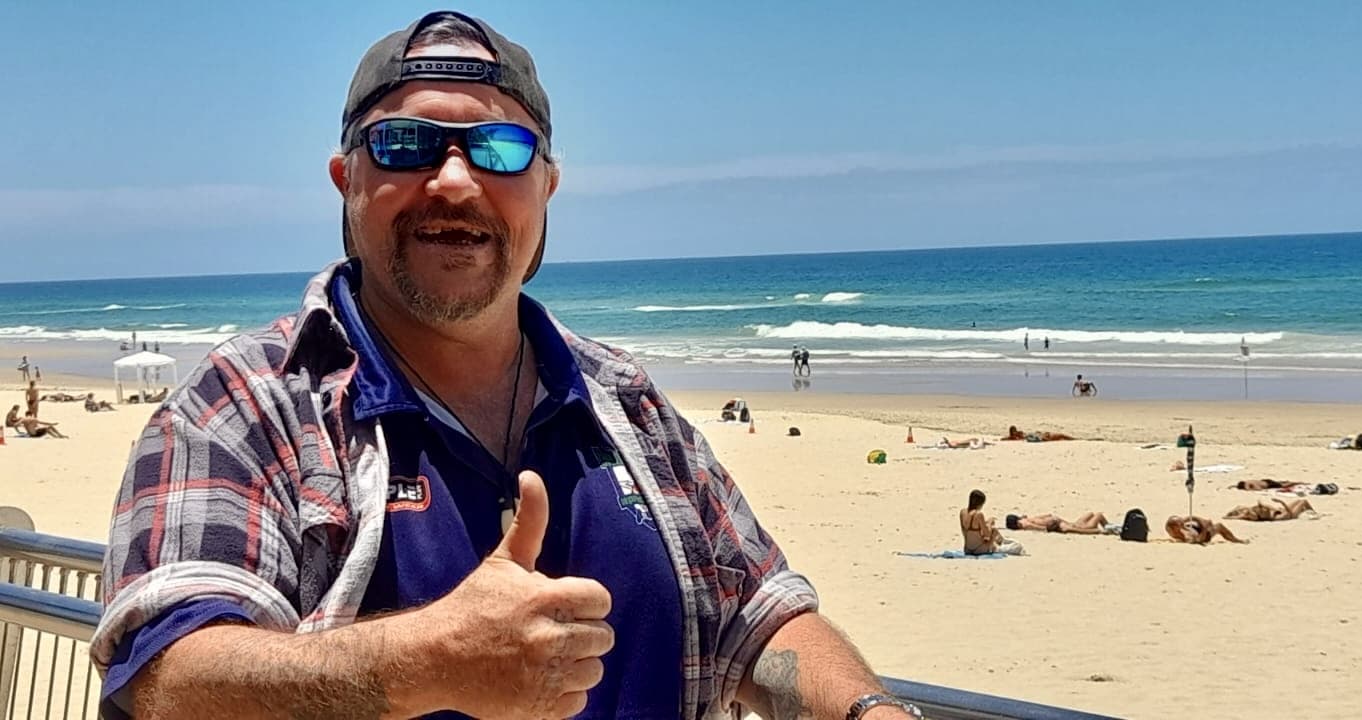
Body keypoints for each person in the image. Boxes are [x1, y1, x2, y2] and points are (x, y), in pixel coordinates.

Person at [89, 12, 923, 720]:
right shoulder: (245, 403)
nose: (455, 181)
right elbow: (166, 675)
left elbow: (761, 612)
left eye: (499, 147)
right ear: (347, 180)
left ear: (546, 185)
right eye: (405, 144)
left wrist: (870, 711)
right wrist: (424, 662)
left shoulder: (622, 400)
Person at [961, 490, 1024, 555]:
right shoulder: (979, 514)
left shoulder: (962, 512)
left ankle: (1000, 541)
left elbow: (965, 532)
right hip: (980, 549)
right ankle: (1000, 542)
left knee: (990, 527)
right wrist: (989, 524)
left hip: (967, 549)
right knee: (1017, 546)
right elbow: (987, 534)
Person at [1164, 515, 1247, 545]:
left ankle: (1204, 522)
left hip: (1194, 528)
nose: (1181, 522)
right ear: (1175, 527)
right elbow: (1199, 540)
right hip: (1203, 535)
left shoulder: (1174, 528)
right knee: (1219, 526)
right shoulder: (1186, 536)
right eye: (1179, 523)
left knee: (1193, 519)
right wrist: (1204, 527)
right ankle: (1236, 540)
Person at [1005, 512, 1110, 535]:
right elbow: (1042, 523)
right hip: (1058, 523)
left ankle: (1109, 529)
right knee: (1096, 515)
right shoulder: (1025, 521)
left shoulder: (1024, 522)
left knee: (1091, 516)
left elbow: (1040, 527)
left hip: (1058, 522)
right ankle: (1108, 528)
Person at [1223, 498, 1316, 522]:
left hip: (1283, 510)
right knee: (1303, 501)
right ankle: (1313, 512)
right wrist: (1281, 502)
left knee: (1298, 501)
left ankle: (1310, 512)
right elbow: (1290, 514)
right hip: (1291, 514)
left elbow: (1239, 510)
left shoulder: (1263, 512)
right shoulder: (1275, 517)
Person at [1000, 425, 1075, 442]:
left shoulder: (1019, 434)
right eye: (1013, 431)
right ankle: (1074, 439)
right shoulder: (1014, 437)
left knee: (1060, 436)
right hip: (1036, 437)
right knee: (1060, 436)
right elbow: (1004, 439)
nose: (1015, 432)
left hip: (1035, 435)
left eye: (1015, 431)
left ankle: (1073, 439)